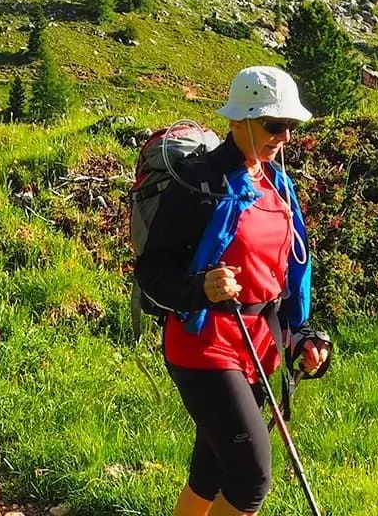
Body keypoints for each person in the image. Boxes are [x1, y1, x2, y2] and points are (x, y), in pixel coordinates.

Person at [136, 66, 333, 516]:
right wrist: (200, 287)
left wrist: (300, 334)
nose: (283, 136)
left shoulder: (277, 184)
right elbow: (152, 272)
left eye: (290, 126)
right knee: (250, 477)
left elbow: (282, 277)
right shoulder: (199, 183)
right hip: (204, 344)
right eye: (273, 124)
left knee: (212, 472)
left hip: (259, 345)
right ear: (238, 120)